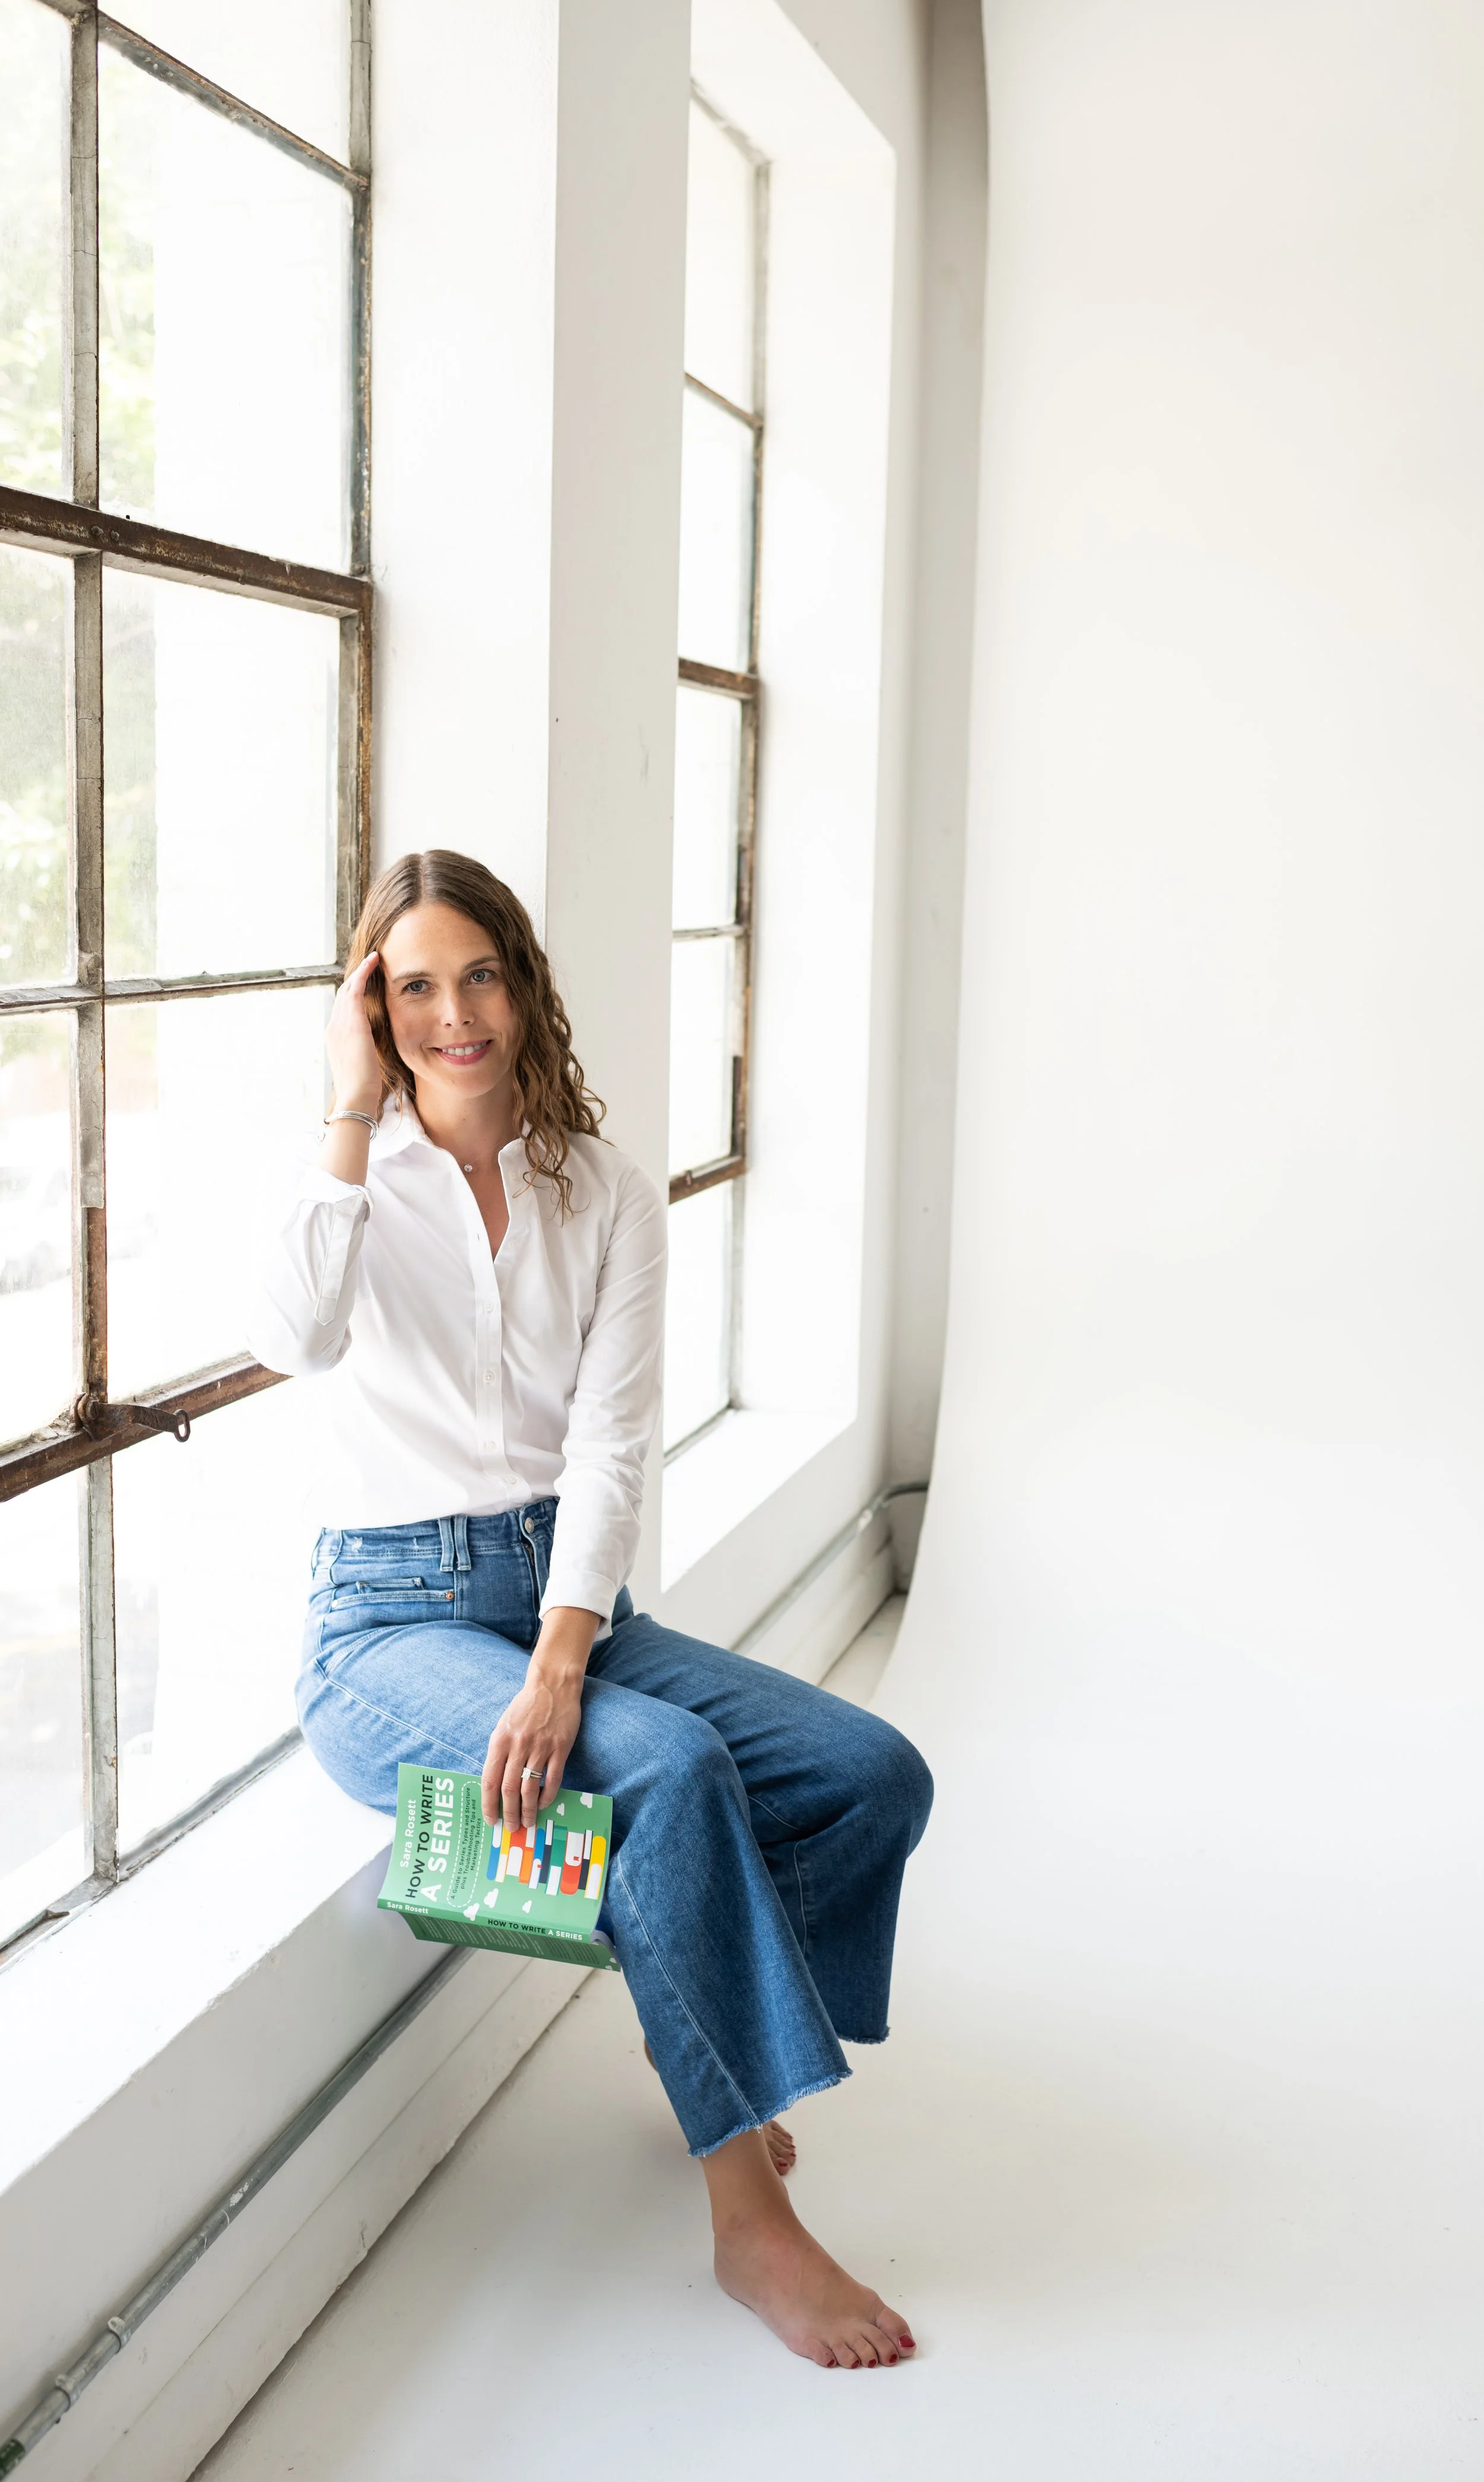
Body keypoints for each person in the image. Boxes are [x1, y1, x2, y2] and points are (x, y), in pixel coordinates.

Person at [248, 847, 933, 2370]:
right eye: (411, 984)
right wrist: (345, 1109)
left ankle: (700, 2019)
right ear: (373, 1003)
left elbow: (611, 1444)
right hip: (388, 1624)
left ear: (523, 979)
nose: (452, 1014)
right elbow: (294, 1335)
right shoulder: (349, 1175)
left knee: (871, 1775)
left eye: (476, 973)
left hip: (565, 1590)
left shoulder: (601, 1188)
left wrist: (564, 1658)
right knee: (674, 1772)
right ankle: (746, 2211)